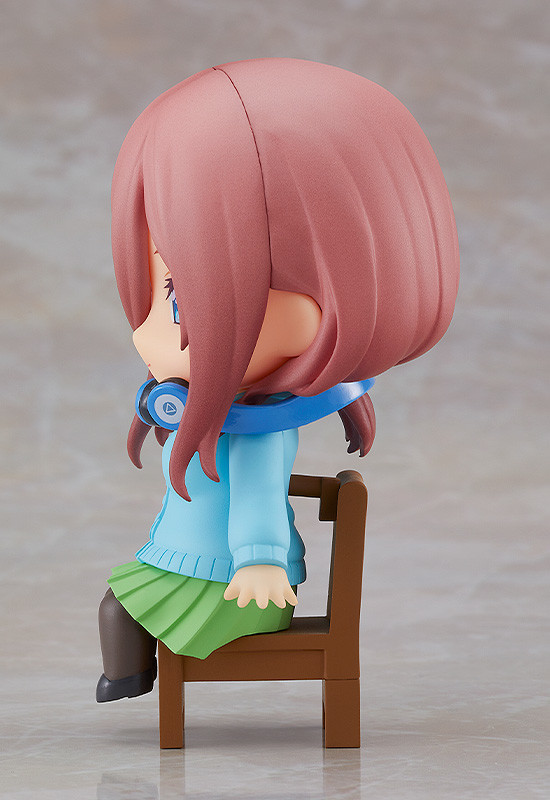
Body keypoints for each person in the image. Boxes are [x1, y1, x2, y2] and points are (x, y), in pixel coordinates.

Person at [96, 58, 459, 702]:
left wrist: (259, 561)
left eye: (179, 295)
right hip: (193, 559)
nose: (147, 332)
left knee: (118, 609)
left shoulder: (258, 426)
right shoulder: (226, 409)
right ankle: (129, 678)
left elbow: (261, 491)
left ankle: (129, 679)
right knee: (116, 605)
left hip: (229, 580)